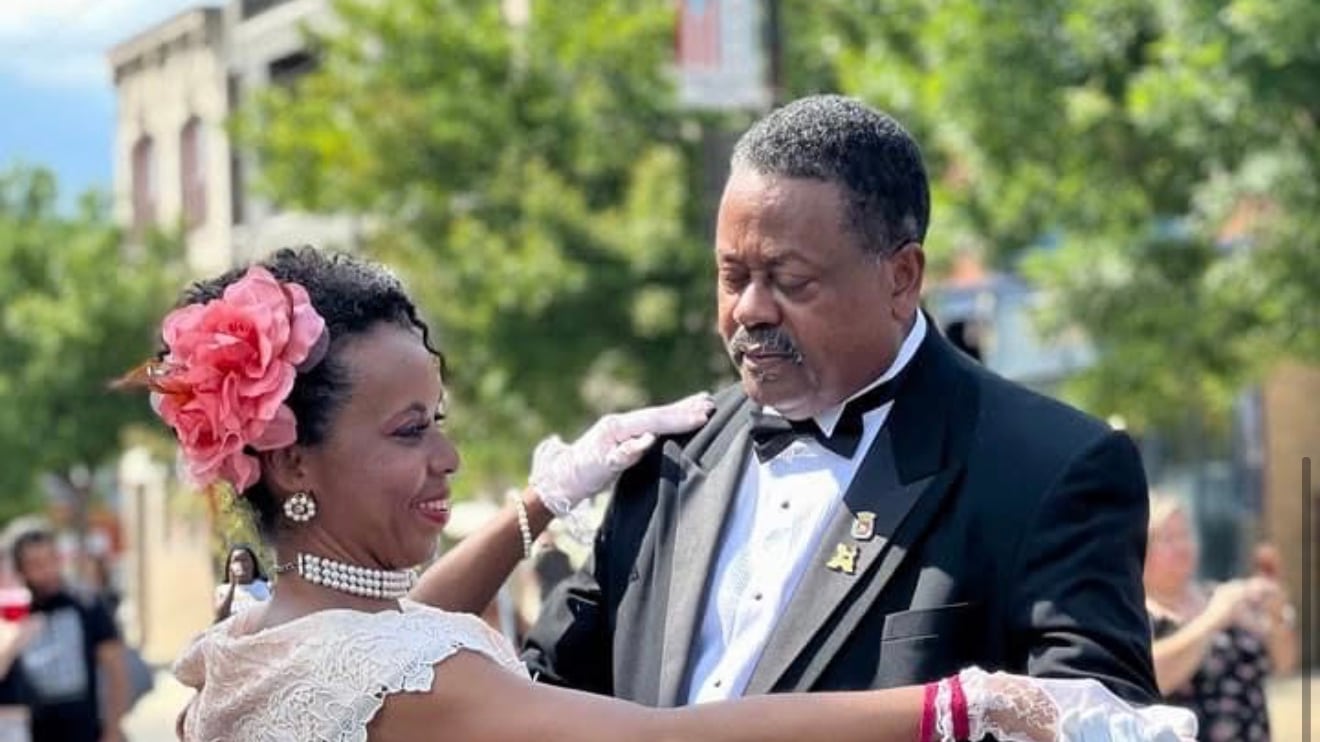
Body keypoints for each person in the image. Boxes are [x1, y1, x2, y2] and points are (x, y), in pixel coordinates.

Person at [146, 247, 1192, 741]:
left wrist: (538, 509)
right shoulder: (388, 666)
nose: (449, 459)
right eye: (410, 430)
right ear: (291, 461)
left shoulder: (262, 635)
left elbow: (395, 635)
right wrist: (966, 701)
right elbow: (660, 738)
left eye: (443, 420)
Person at [523, 94, 1161, 707]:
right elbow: (542, 694)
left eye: (789, 280)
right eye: (732, 277)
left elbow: (1097, 717)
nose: (749, 308)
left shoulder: (1049, 468)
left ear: (901, 278)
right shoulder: (667, 458)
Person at [1143, 495, 1297, 741]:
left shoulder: (1220, 596)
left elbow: (1284, 663)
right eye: (1168, 539)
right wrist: (1213, 619)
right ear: (1141, 549)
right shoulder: (1136, 616)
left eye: (1185, 535)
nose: (1182, 546)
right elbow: (1153, 678)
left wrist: (1276, 613)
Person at [0, 529, 130, 742]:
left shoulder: (86, 603)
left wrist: (114, 729)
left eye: (52, 559)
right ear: (20, 570)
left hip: (86, 730)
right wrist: (14, 638)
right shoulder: (15, 611)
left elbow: (115, 670)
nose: (47, 570)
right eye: (35, 564)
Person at [213, 545, 272, 622]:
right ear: (229, 566)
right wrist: (232, 585)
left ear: (253, 564)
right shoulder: (221, 590)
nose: (241, 564)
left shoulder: (267, 586)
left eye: (244, 560)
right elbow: (220, 616)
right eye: (236, 560)